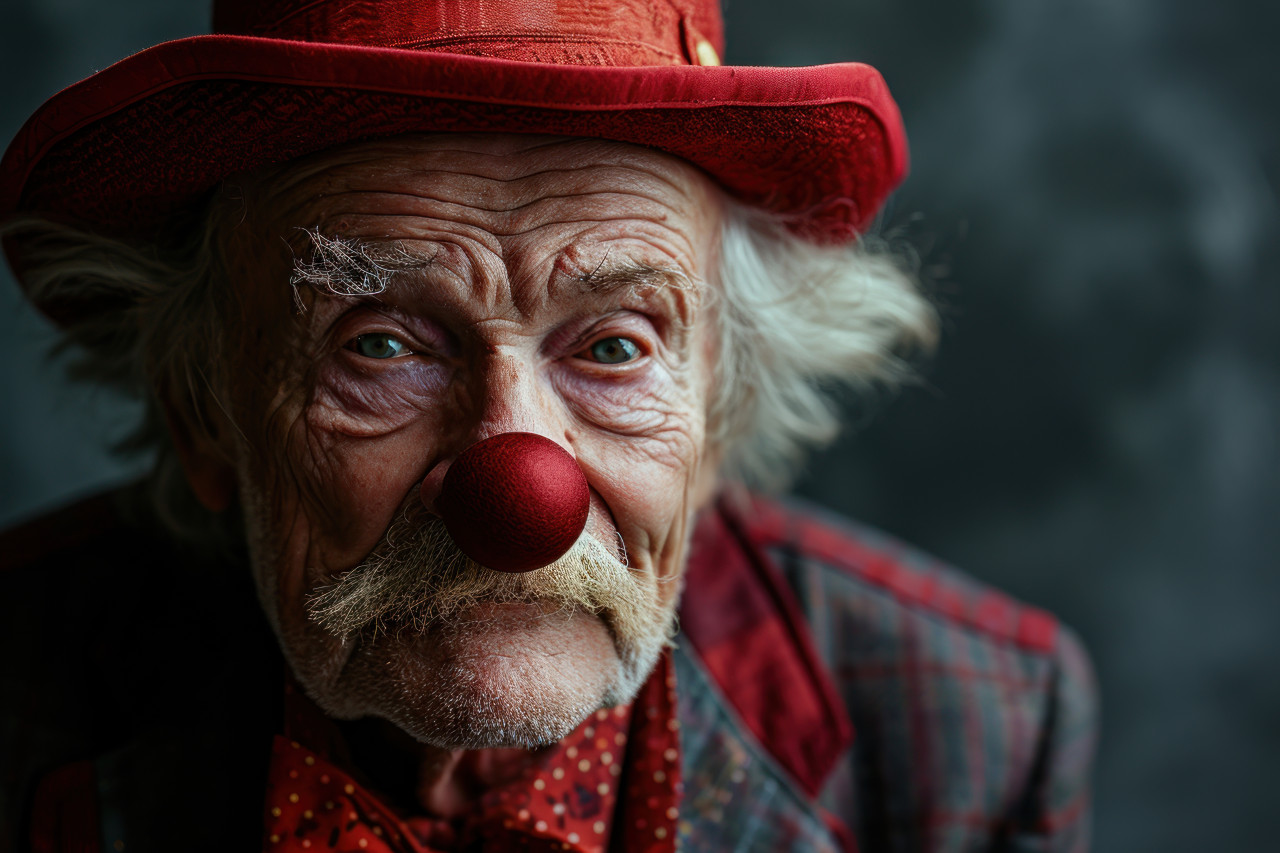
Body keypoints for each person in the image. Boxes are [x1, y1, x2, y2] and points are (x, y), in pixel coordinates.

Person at [0, 1, 1097, 850]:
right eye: (380, 344)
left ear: (716, 413)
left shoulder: (978, 740)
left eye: (613, 346)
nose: (519, 491)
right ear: (206, 413)